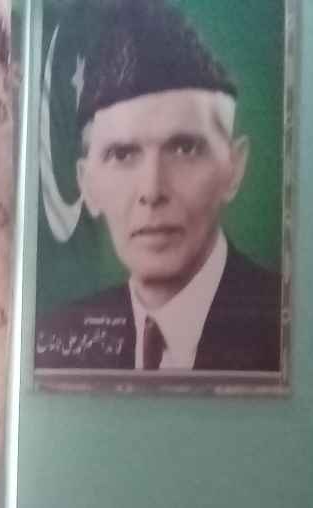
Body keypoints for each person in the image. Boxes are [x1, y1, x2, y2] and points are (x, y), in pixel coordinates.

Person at [35, 0, 282, 374]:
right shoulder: (56, 342)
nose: (152, 191)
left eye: (185, 149)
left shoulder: (285, 329)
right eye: (122, 154)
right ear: (88, 184)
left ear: (233, 168)